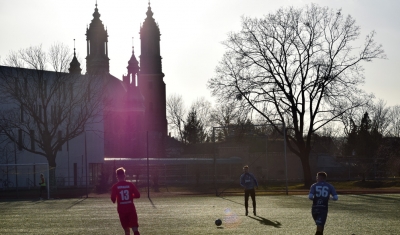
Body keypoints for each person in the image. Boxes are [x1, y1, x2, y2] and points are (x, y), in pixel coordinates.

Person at [111, 167, 141, 235]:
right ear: (124, 175)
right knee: (135, 228)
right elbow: (138, 195)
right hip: (131, 208)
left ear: (117, 176)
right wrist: (131, 196)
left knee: (126, 230)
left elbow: (113, 199)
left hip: (122, 210)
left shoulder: (115, 186)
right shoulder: (130, 185)